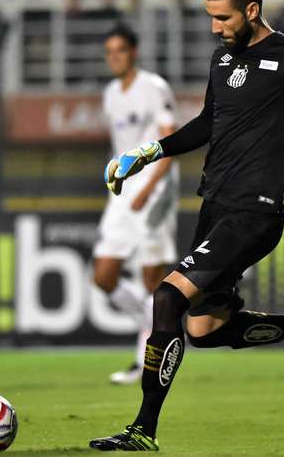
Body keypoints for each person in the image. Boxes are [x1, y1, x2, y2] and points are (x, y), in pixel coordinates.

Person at [90, 0, 284, 451]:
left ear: (251, 11)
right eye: (210, 18)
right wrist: (150, 152)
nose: (215, 27)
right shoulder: (223, 60)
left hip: (255, 214)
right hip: (216, 208)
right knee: (205, 329)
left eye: (222, 18)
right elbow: (207, 124)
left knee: (167, 298)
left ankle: (143, 429)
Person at [93, 24, 179, 385]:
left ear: (134, 53)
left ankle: (144, 359)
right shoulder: (111, 93)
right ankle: (154, 325)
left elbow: (170, 141)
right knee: (104, 275)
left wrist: (150, 187)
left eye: (121, 51)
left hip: (154, 190)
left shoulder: (153, 88)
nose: (115, 57)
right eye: (109, 51)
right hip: (124, 192)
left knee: (150, 279)